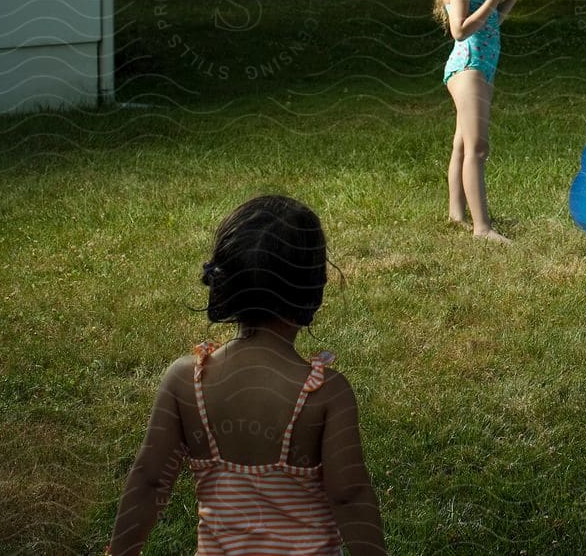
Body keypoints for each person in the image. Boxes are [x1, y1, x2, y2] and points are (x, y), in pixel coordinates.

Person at [107, 195, 384, 555]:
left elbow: (149, 481)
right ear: (312, 290)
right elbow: (349, 496)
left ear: (224, 283)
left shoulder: (185, 381)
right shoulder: (325, 394)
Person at [436, 0, 516, 239]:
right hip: (467, 66)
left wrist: (506, 2)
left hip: (481, 66)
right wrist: (491, 0)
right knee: (478, 147)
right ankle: (482, 228)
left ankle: (457, 214)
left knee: (463, 144)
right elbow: (459, 30)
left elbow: (488, 25)